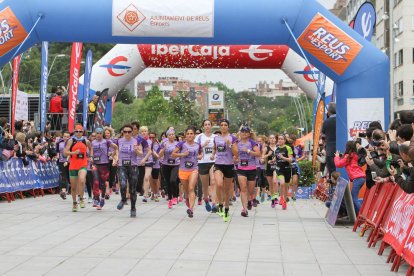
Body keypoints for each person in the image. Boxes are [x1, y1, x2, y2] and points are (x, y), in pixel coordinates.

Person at [210, 119, 238, 222]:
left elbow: (236, 154)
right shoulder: (216, 138)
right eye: (221, 125)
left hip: (229, 165)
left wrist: (230, 145)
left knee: (226, 190)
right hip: (218, 164)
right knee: (219, 184)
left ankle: (226, 209)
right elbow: (214, 148)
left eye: (225, 125)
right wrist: (213, 154)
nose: (223, 126)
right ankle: (220, 204)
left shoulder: (233, 138)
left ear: (228, 127)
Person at [172, 126, 203, 218]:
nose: (190, 135)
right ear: (185, 135)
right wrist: (183, 154)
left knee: (191, 188)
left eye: (191, 134)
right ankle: (187, 198)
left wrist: (200, 156)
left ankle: (191, 209)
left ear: (194, 135)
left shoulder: (198, 145)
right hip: (183, 170)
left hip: (194, 169)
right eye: (188, 134)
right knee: (186, 190)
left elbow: (201, 153)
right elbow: (173, 154)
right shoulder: (181, 144)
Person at [115, 124, 143, 217]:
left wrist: (136, 150)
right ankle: (123, 199)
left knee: (132, 189)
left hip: (133, 166)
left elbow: (141, 154)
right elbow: (116, 152)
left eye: (129, 132)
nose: (127, 133)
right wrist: (115, 159)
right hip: (122, 165)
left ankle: (133, 208)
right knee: (122, 184)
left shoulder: (136, 141)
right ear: (122, 132)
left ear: (132, 132)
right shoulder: (119, 141)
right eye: (125, 132)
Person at [64, 124, 93, 212]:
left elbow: (91, 148)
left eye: (80, 131)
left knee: (81, 179)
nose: (79, 133)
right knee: (73, 187)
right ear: (74, 132)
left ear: (83, 132)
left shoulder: (86, 141)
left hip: (83, 164)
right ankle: (74, 203)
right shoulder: (71, 140)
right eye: (77, 131)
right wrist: (74, 153)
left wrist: (91, 156)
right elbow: (65, 152)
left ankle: (81, 198)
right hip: (73, 165)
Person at [334, 141, 366, 214]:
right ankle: (356, 215)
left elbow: (338, 164)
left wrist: (336, 157)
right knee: (352, 198)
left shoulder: (348, 156)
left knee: (354, 199)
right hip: (361, 178)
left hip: (357, 179)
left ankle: (361, 215)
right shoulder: (355, 155)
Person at [236, 126, 261, 217]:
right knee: (243, 189)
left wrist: (249, 151)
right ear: (240, 133)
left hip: (251, 168)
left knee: (250, 190)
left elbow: (258, 154)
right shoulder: (237, 143)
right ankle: (244, 209)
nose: (244, 133)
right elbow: (234, 155)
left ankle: (250, 200)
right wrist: (235, 159)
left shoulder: (252, 142)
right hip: (241, 169)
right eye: (242, 132)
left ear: (249, 134)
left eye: (246, 132)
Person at [91, 127, 118, 210]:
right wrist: (91, 157)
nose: (98, 135)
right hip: (95, 164)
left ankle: (102, 198)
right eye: (97, 133)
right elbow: (90, 151)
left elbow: (116, 147)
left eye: (100, 133)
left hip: (104, 164)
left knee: (102, 183)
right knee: (95, 181)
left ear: (102, 134)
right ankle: (96, 198)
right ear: (95, 134)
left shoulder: (106, 141)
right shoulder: (92, 142)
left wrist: (111, 155)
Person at [195, 119, 217, 213]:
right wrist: (203, 145)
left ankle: (214, 204)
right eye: (205, 125)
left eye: (209, 124)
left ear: (211, 126)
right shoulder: (199, 137)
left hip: (213, 161)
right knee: (204, 185)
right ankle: (206, 199)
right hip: (202, 162)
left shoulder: (216, 137)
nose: (207, 126)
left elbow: (218, 148)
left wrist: (213, 153)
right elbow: (194, 148)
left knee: (213, 181)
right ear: (203, 126)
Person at [158, 128, 180, 209]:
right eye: (169, 135)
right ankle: (170, 199)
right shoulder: (164, 143)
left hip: (176, 164)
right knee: (167, 182)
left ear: (175, 135)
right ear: (167, 136)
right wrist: (163, 149)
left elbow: (180, 154)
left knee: (173, 180)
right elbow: (159, 155)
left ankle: (175, 196)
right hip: (166, 164)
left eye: (173, 134)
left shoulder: (178, 144)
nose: (171, 136)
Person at [274, 134, 293, 210]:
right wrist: (271, 161)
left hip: (287, 168)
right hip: (279, 169)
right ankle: (281, 198)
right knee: (282, 183)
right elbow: (276, 159)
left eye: (281, 139)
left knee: (286, 186)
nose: (280, 140)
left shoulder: (288, 148)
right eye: (279, 139)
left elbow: (291, 160)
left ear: (284, 140)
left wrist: (283, 157)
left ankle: (284, 201)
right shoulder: (276, 149)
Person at [321, 102, 336, 177]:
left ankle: (333, 187)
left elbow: (323, 134)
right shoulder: (340, 120)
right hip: (341, 150)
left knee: (332, 172)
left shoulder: (326, 122)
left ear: (329, 112)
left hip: (330, 150)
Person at [263, 134, 278, 207]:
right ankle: (273, 200)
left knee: (274, 181)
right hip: (269, 167)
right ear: (268, 140)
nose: (272, 139)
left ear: (275, 139)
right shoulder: (266, 148)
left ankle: (275, 196)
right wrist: (268, 155)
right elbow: (262, 157)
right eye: (271, 138)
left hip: (277, 167)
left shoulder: (279, 148)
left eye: (273, 138)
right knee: (271, 185)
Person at [56, 130, 70, 199]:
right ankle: (63, 192)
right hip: (61, 161)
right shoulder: (59, 143)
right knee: (63, 176)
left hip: (69, 161)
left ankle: (75, 191)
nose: (66, 138)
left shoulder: (71, 143)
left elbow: (70, 152)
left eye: (67, 137)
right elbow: (57, 151)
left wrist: (67, 160)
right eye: (64, 136)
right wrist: (57, 156)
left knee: (69, 177)